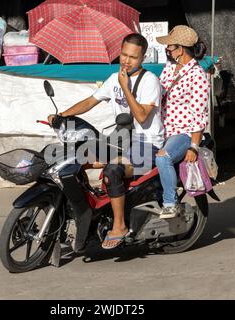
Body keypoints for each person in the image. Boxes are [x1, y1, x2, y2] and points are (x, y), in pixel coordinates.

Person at [48, 33, 164, 249]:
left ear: (143, 58)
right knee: (76, 158)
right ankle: (88, 214)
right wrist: (63, 115)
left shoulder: (150, 82)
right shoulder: (114, 79)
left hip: (148, 144)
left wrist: (126, 86)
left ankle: (119, 225)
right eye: (124, 55)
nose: (127, 61)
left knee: (112, 170)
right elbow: (90, 101)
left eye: (133, 57)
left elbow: (140, 116)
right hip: (123, 141)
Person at [155, 25, 210, 219]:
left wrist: (194, 147)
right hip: (163, 130)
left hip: (184, 133)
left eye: (169, 47)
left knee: (163, 157)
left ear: (181, 49)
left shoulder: (197, 76)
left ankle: (171, 203)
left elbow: (199, 115)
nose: (167, 51)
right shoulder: (169, 69)